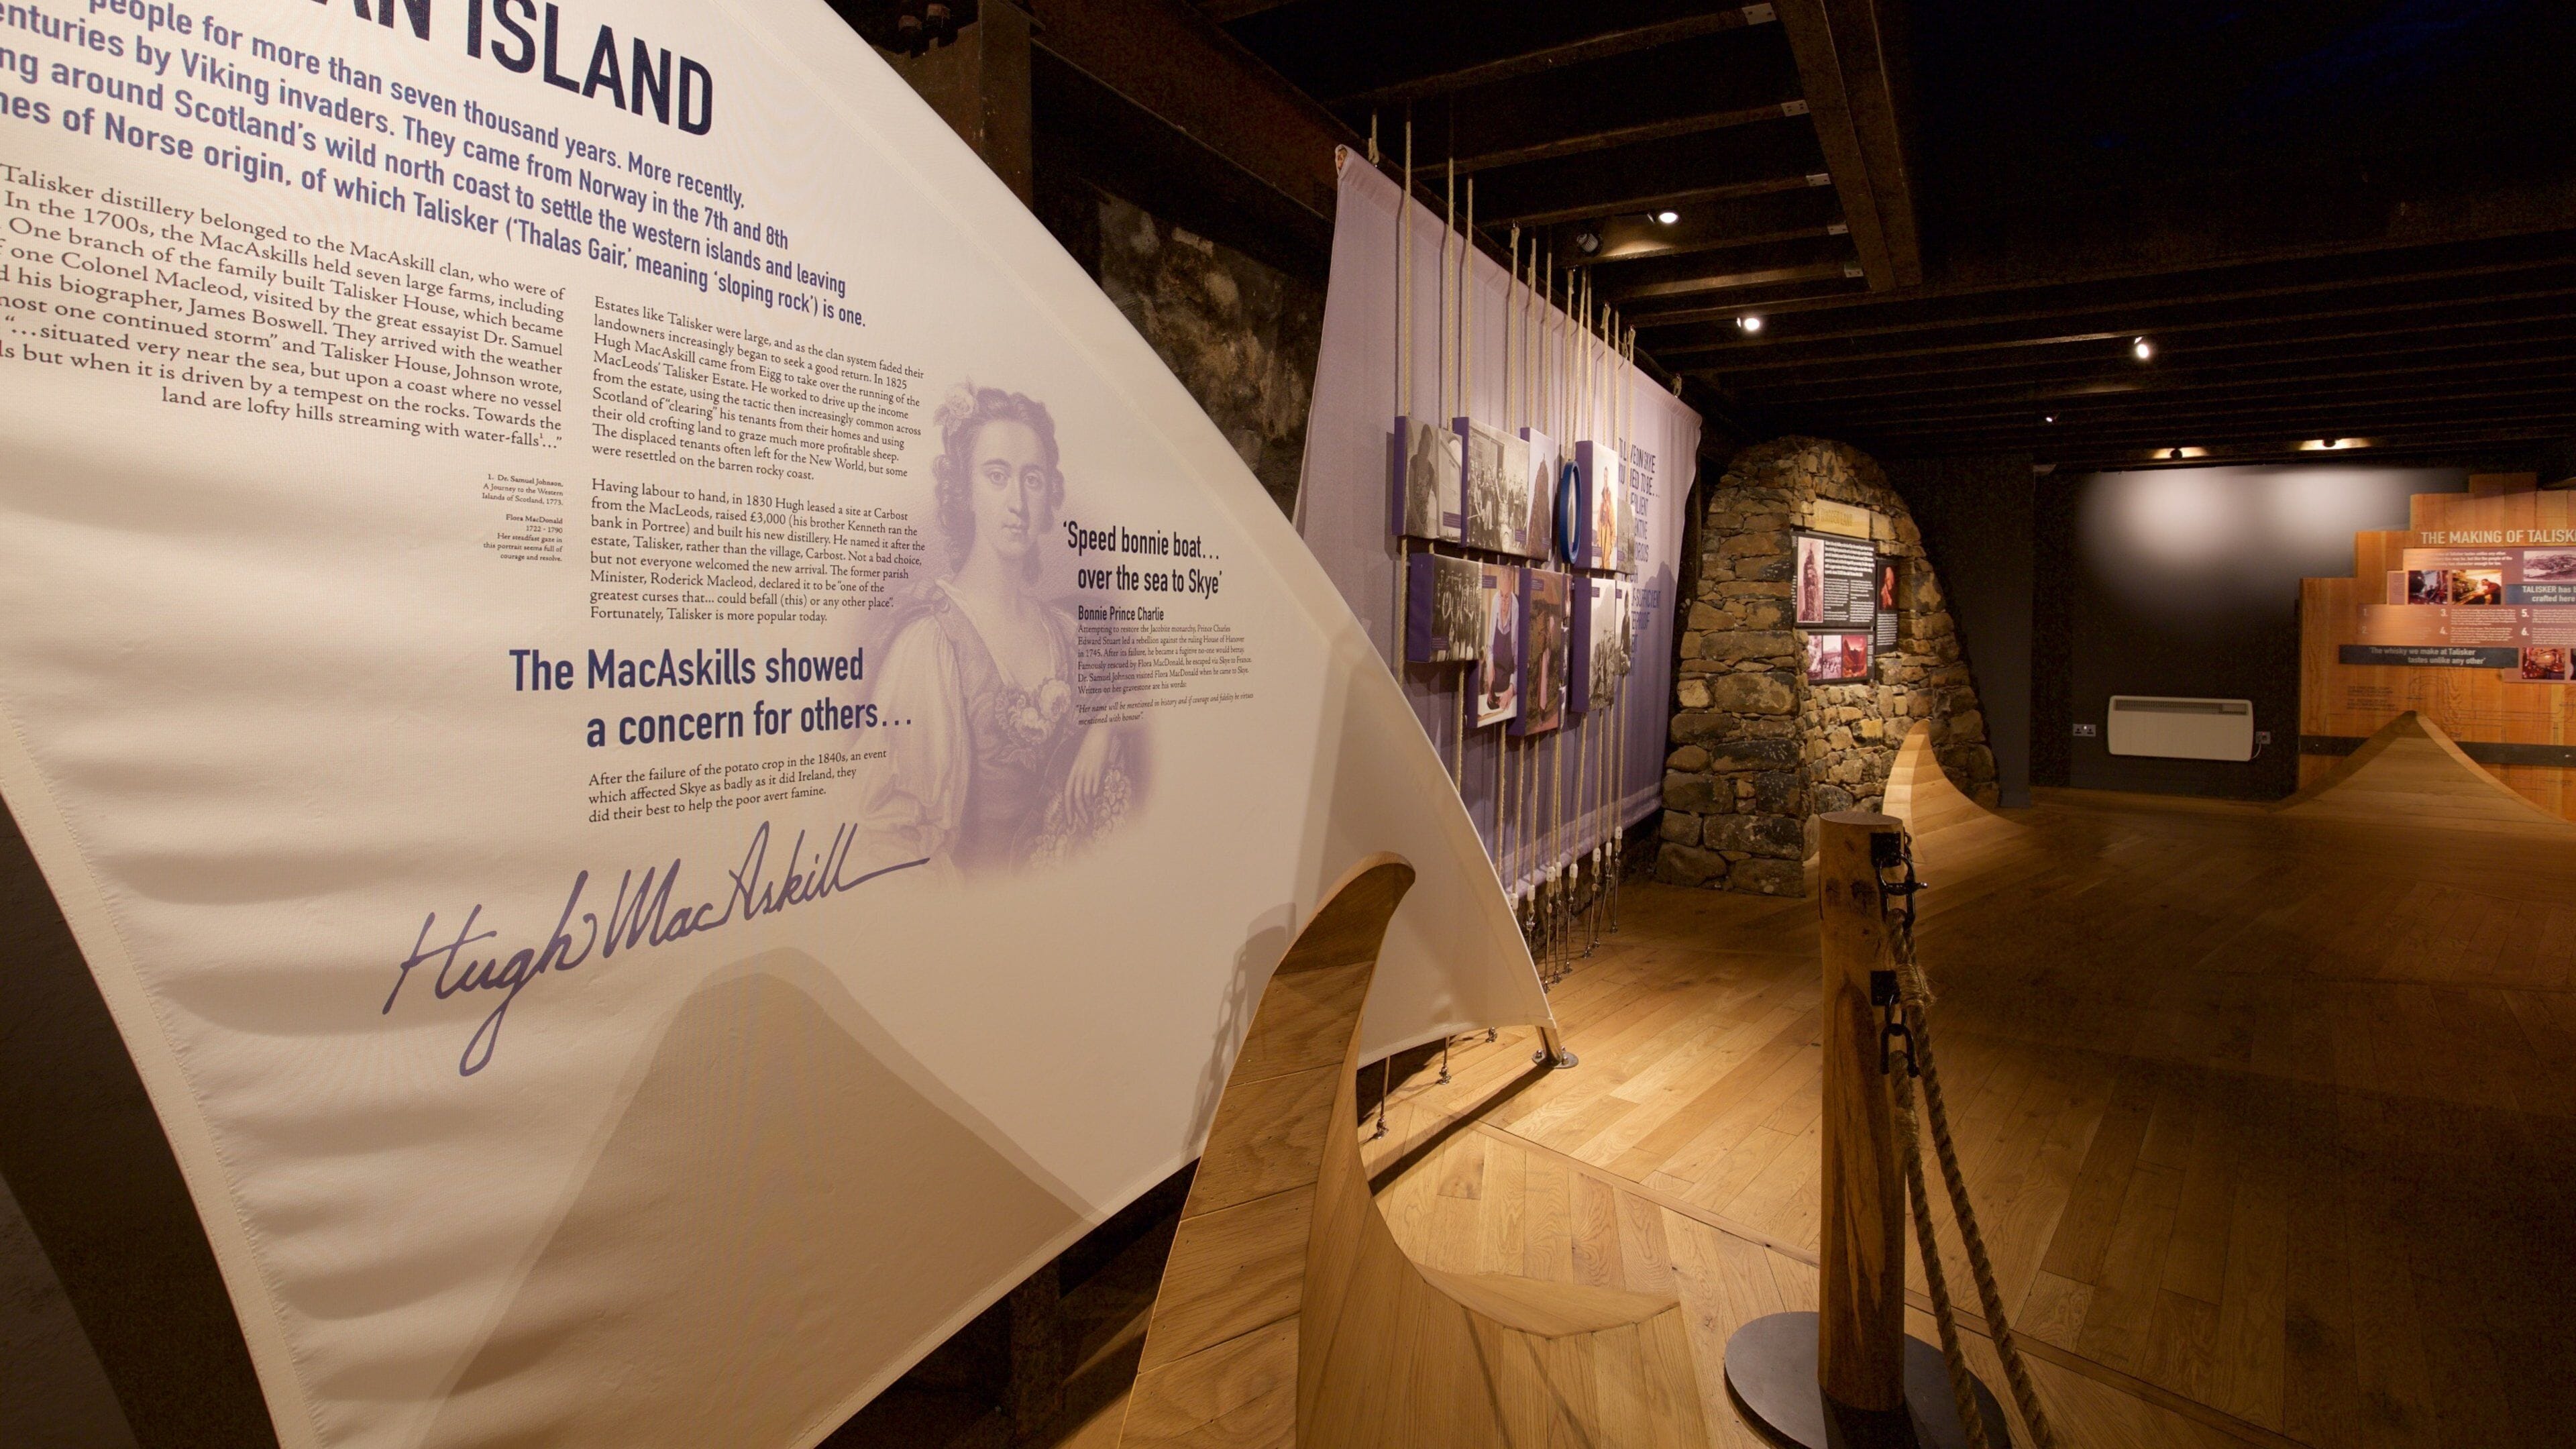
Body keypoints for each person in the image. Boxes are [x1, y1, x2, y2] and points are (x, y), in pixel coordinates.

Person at [869, 384, 1131, 876]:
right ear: (964, 491)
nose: (1017, 502)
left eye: (1032, 480)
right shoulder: (933, 643)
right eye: (996, 476)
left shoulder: (1064, 632)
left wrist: (1102, 727)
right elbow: (894, 842)